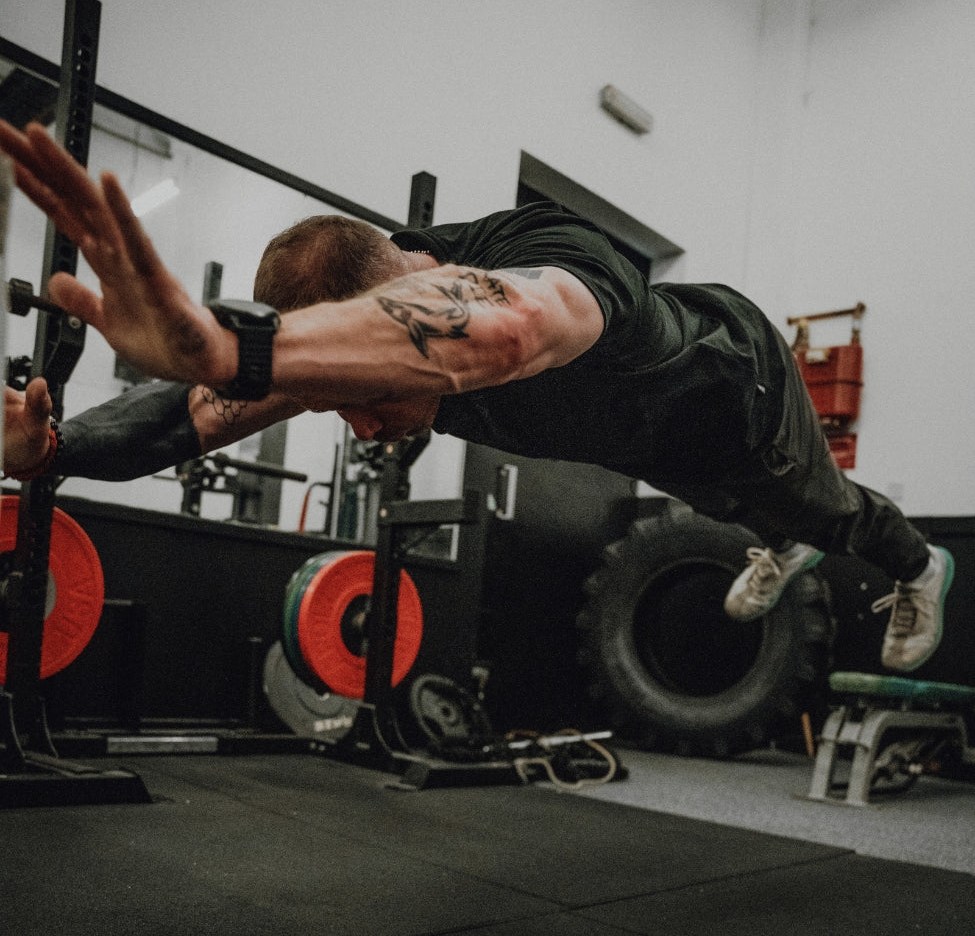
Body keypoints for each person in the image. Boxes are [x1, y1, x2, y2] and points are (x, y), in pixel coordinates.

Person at [0, 120, 954, 674]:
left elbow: (509, 326)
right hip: (650, 445)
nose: (364, 425)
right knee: (727, 502)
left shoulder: (554, 257)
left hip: (739, 390)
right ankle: (779, 533)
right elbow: (194, 414)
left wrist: (230, 342)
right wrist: (53, 452)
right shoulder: (357, 325)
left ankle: (921, 569)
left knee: (821, 507)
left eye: (364, 396)